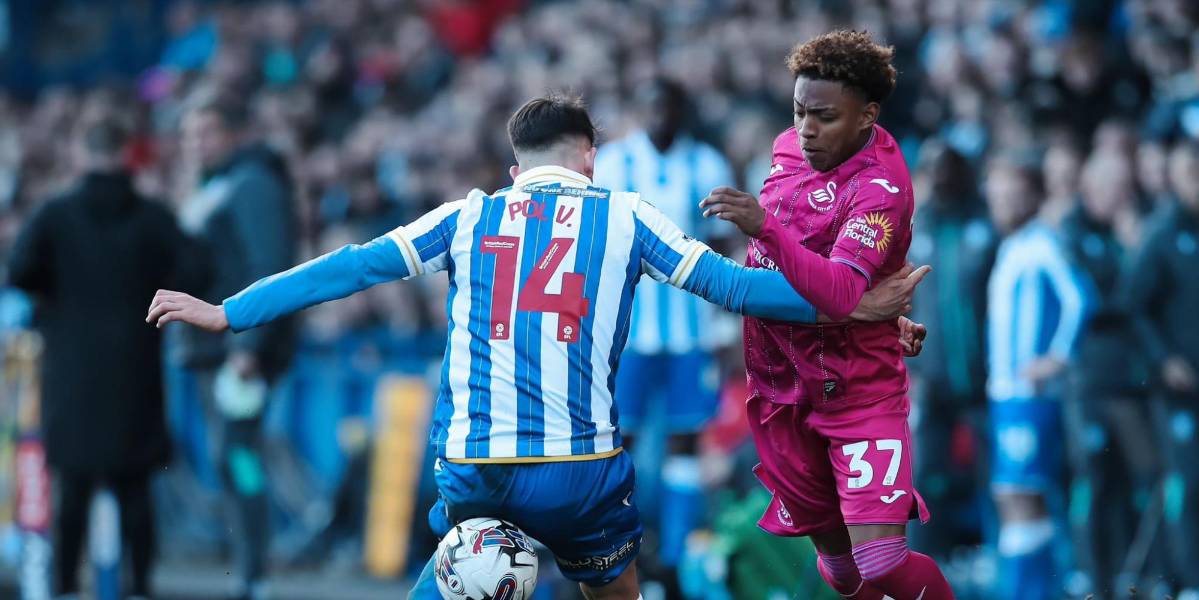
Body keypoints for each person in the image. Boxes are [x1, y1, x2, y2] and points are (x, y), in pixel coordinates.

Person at [146, 94, 927, 600]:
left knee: (466, 569)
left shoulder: (467, 215)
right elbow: (736, 289)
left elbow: (347, 268)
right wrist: (853, 304)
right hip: (578, 473)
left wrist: (228, 312)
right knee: (613, 591)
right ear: (589, 156)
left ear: (515, 169)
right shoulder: (625, 214)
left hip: (475, 466)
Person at [698, 30, 952, 599]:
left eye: (824, 117)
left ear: (867, 116)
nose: (806, 129)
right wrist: (878, 305)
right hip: (781, 389)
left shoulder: (882, 187)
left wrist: (765, 226)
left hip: (856, 390)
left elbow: (837, 289)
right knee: (843, 574)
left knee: (883, 561)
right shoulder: (789, 146)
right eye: (798, 111)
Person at [6, 118, 210, 600]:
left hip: (70, 375)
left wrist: (51, 297)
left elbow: (19, 270)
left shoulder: (55, 214)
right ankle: (139, 586)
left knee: (71, 491)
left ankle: (63, 588)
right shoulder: (153, 217)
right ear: (127, 153)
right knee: (135, 492)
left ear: (81, 151)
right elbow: (197, 269)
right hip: (135, 373)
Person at [593, 77, 737, 586]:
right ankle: (615, 553)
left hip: (689, 335)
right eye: (650, 105)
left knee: (685, 443)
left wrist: (723, 328)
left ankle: (674, 559)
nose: (659, 115)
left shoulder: (707, 165)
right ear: (640, 110)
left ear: (681, 111)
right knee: (618, 441)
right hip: (627, 336)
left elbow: (722, 249)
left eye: (668, 106)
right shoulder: (613, 165)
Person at [170, 98, 297, 600]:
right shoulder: (214, 187)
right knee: (230, 456)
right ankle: (249, 568)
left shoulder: (252, 185)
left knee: (239, 455)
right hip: (212, 347)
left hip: (238, 351)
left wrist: (251, 347)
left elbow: (269, 265)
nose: (196, 144)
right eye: (189, 135)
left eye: (206, 132)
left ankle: (255, 573)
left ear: (233, 134)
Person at [983, 154, 1090, 600]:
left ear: (1031, 196)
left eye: (1011, 195)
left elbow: (1080, 299)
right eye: (996, 197)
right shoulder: (1011, 247)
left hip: (1029, 393)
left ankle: (1033, 589)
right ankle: (1032, 585)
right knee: (1012, 493)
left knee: (1021, 491)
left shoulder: (1044, 243)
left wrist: (1058, 358)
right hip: (1004, 393)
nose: (1002, 205)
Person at [1058, 150, 1158, 597]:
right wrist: (1134, 255)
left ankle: (1136, 576)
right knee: (1095, 483)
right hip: (1090, 384)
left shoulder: (1129, 234)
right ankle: (1092, 578)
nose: (1122, 199)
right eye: (1114, 190)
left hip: (1132, 383)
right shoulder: (1071, 235)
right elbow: (1103, 301)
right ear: (1091, 188)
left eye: (1126, 190)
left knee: (1142, 481)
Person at [906, 142, 997, 557]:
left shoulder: (985, 226)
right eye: (931, 170)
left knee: (995, 477)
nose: (939, 178)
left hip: (983, 378)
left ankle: (1000, 565)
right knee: (924, 477)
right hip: (932, 379)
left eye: (948, 169)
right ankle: (923, 568)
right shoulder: (913, 229)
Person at [1123, 139, 1199, 600]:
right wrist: (1163, 359)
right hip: (1179, 390)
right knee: (1186, 485)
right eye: (1190, 172)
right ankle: (1189, 581)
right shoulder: (1163, 233)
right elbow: (1133, 308)